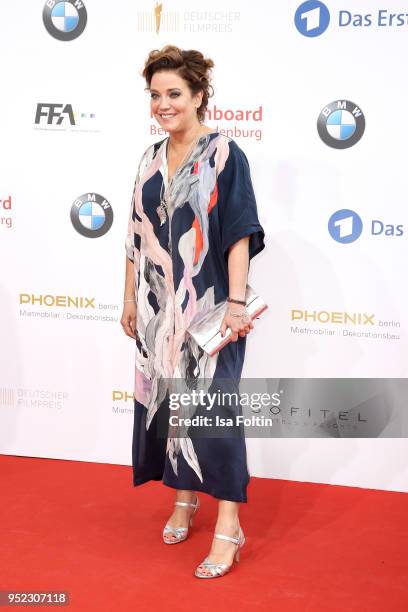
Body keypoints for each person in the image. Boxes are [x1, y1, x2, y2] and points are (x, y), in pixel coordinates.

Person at [121, 45, 265, 579]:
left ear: (199, 96)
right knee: (172, 406)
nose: (163, 104)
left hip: (211, 310)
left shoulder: (225, 154)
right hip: (159, 315)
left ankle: (229, 523)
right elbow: (135, 237)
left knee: (214, 413)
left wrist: (235, 303)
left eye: (174, 94)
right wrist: (131, 298)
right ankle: (184, 498)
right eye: (155, 95)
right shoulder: (148, 158)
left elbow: (239, 233)